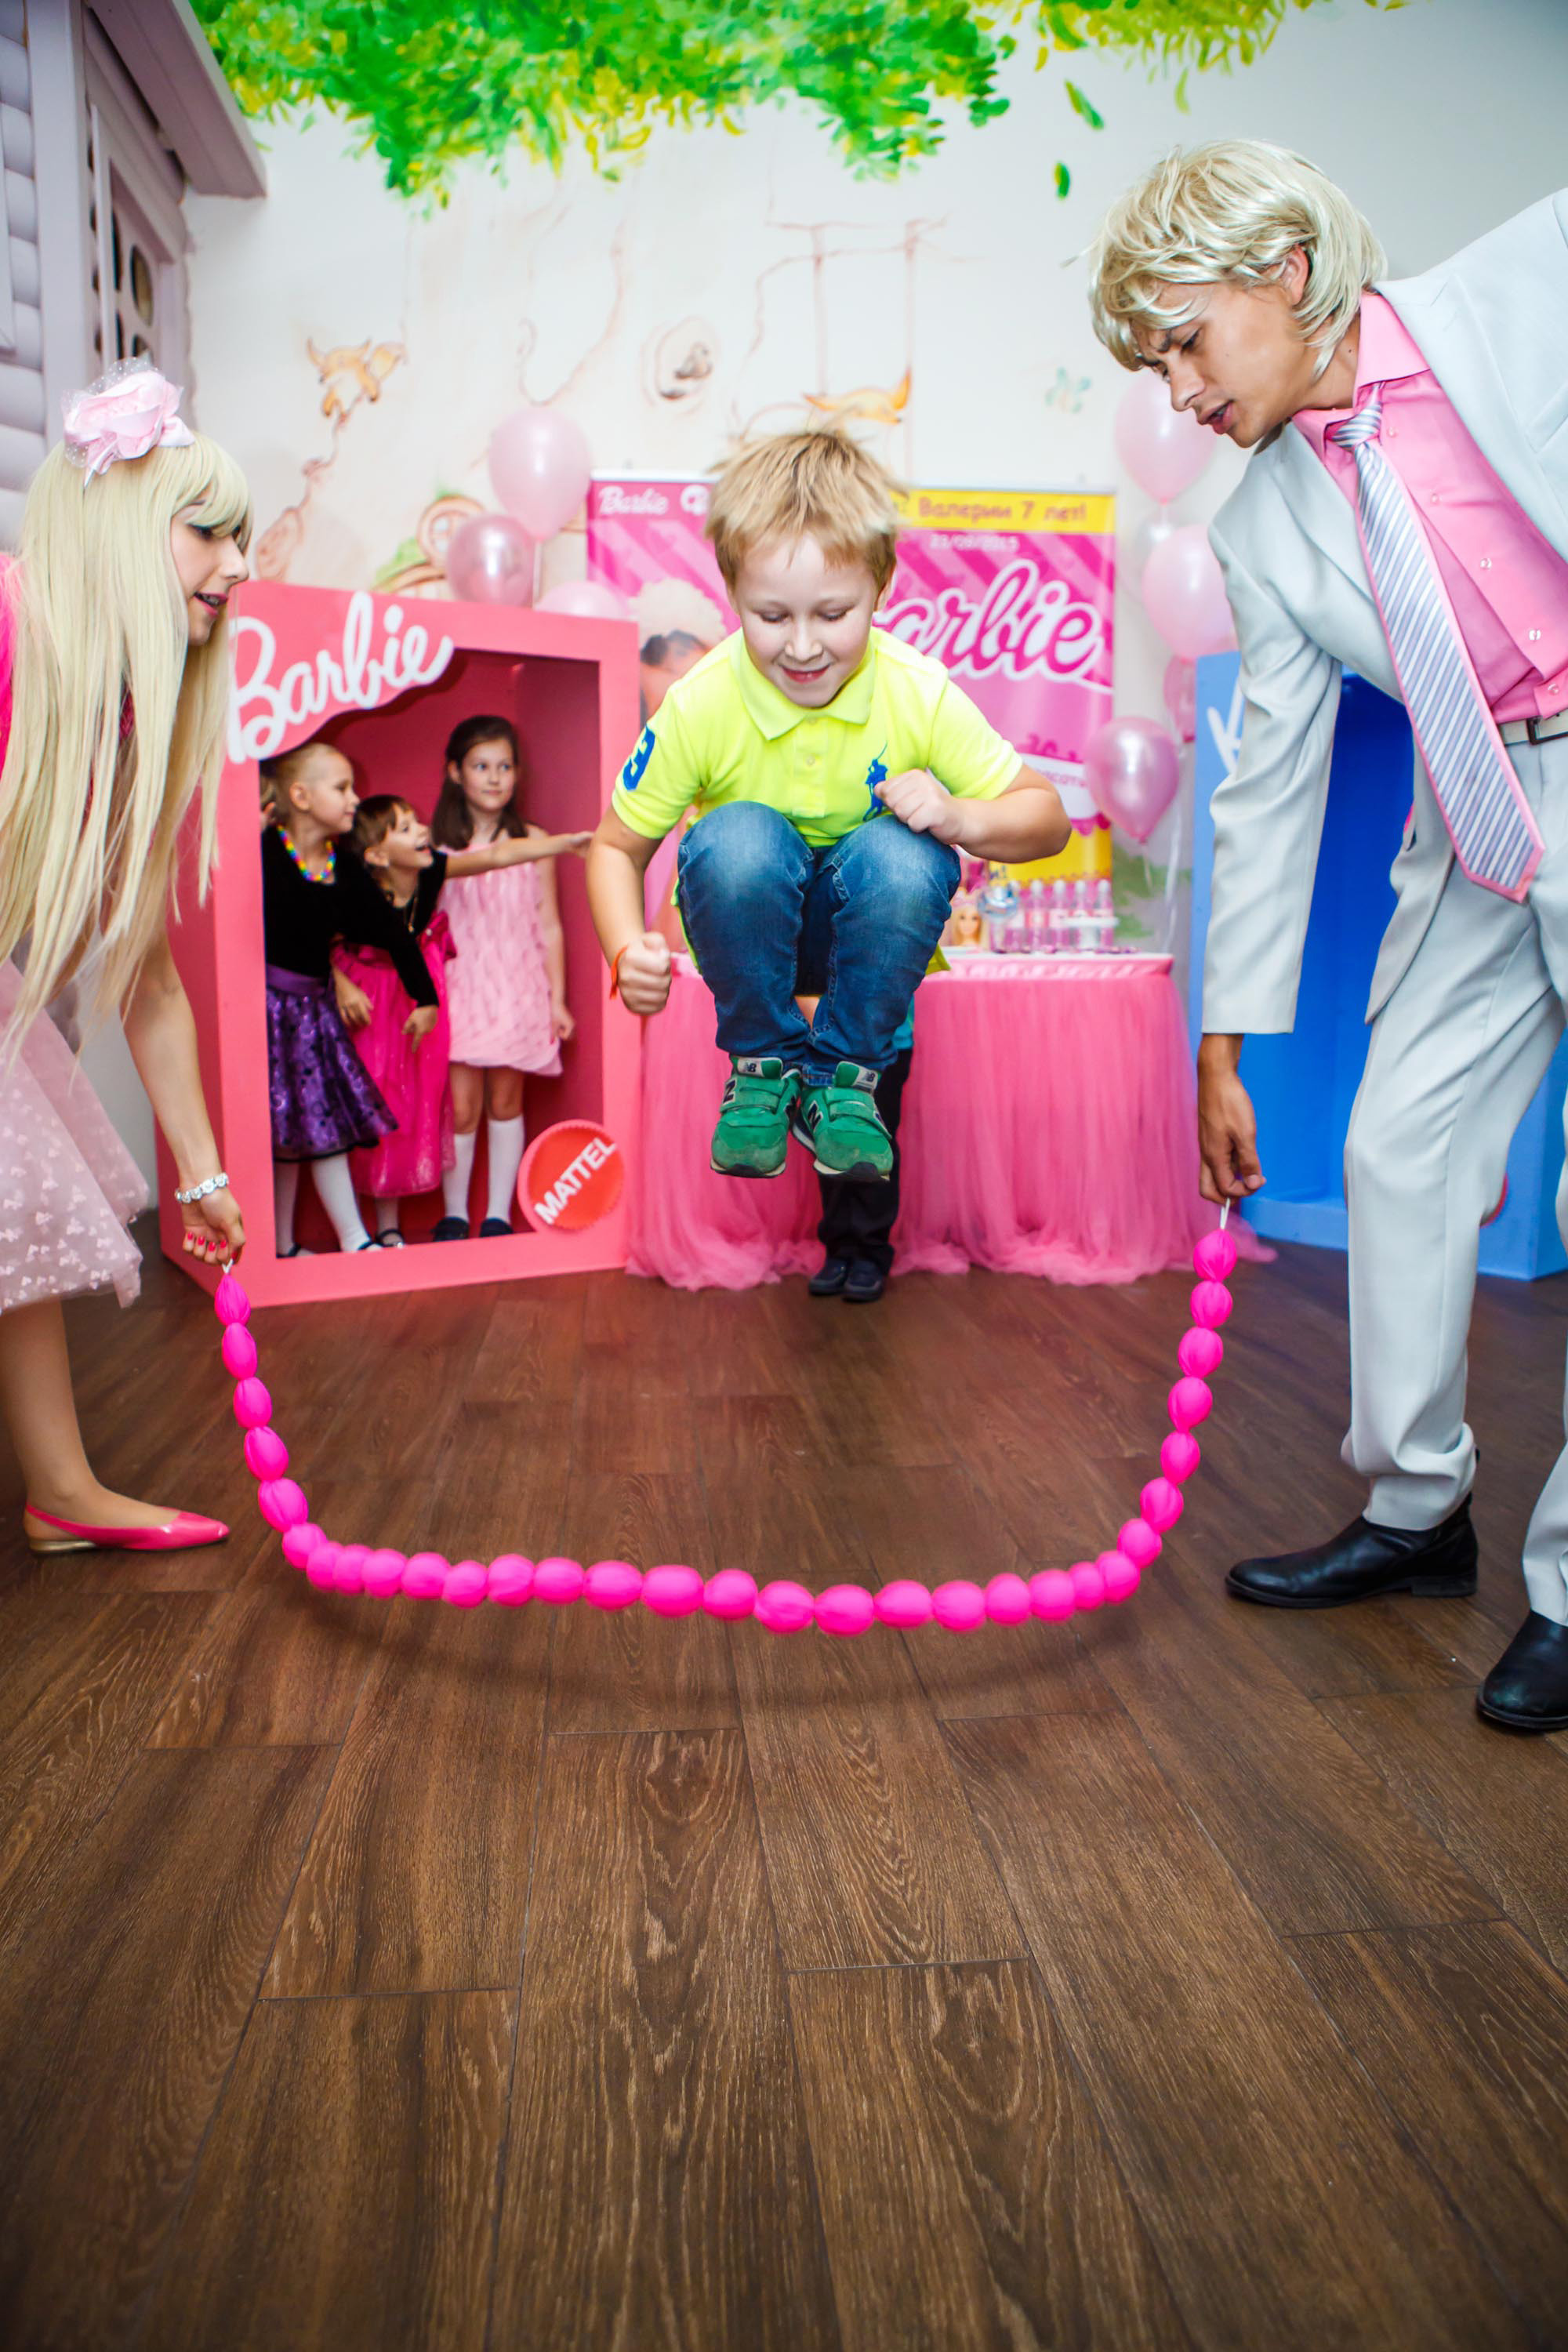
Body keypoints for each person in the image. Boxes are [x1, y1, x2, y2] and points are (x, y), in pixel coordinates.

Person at [1089, 145, 1568, 1732]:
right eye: (1153, 367)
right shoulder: (1265, 525)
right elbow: (1270, 787)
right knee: (1394, 1149)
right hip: (1482, 814)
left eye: (1183, 342)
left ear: (1284, 270)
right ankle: (1419, 1509)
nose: (1177, 394)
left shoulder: (1535, 281)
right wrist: (1225, 1043)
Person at [586, 425, 1070, 1181]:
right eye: (773, 616)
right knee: (737, 836)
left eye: (833, 614)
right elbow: (616, 847)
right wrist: (625, 949)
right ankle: (762, 1068)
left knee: (907, 849)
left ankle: (844, 1081)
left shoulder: (916, 690)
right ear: (733, 593)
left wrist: (961, 816)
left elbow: (1047, 818)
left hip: (866, 941)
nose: (804, 646)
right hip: (751, 932)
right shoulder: (701, 701)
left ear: (881, 587)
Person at [0, 361, 249, 1555]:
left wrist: (202, 1177)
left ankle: (61, 1490)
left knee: (15, 1212)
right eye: (209, 533)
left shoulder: (127, 721)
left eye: (240, 538)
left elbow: (146, 976)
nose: (238, 565)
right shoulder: (10, 629)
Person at [337, 793, 591, 1243]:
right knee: (400, 1101)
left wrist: (562, 844)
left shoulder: (432, 869)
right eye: (405, 828)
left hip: (423, 991)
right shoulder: (359, 892)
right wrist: (342, 984)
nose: (421, 830)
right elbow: (325, 938)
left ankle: (493, 1216)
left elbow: (496, 856)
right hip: (377, 997)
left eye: (416, 822)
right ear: (376, 855)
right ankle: (401, 1225)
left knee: (473, 1102)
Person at [260, 740, 441, 1255]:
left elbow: (392, 932)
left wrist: (424, 997)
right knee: (291, 1131)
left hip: (311, 1014)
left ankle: (334, 1241)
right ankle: (322, 1242)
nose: (355, 799)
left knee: (313, 1124)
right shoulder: (266, 851)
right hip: (267, 1013)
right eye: (342, 788)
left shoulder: (343, 868)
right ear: (300, 796)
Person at [430, 717, 581, 1239]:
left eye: (505, 766)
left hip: (518, 989)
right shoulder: (434, 845)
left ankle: (498, 1215)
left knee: (505, 1102)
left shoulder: (534, 840)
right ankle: (454, 1214)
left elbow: (550, 924)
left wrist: (557, 1000)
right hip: (460, 988)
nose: (494, 778)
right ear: (455, 772)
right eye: (480, 766)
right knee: (461, 1108)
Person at [810, 1007, 913, 1303]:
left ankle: (871, 1255)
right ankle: (839, 1251)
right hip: (825, 1043)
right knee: (831, 1143)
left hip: (883, 1043)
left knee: (874, 1146)